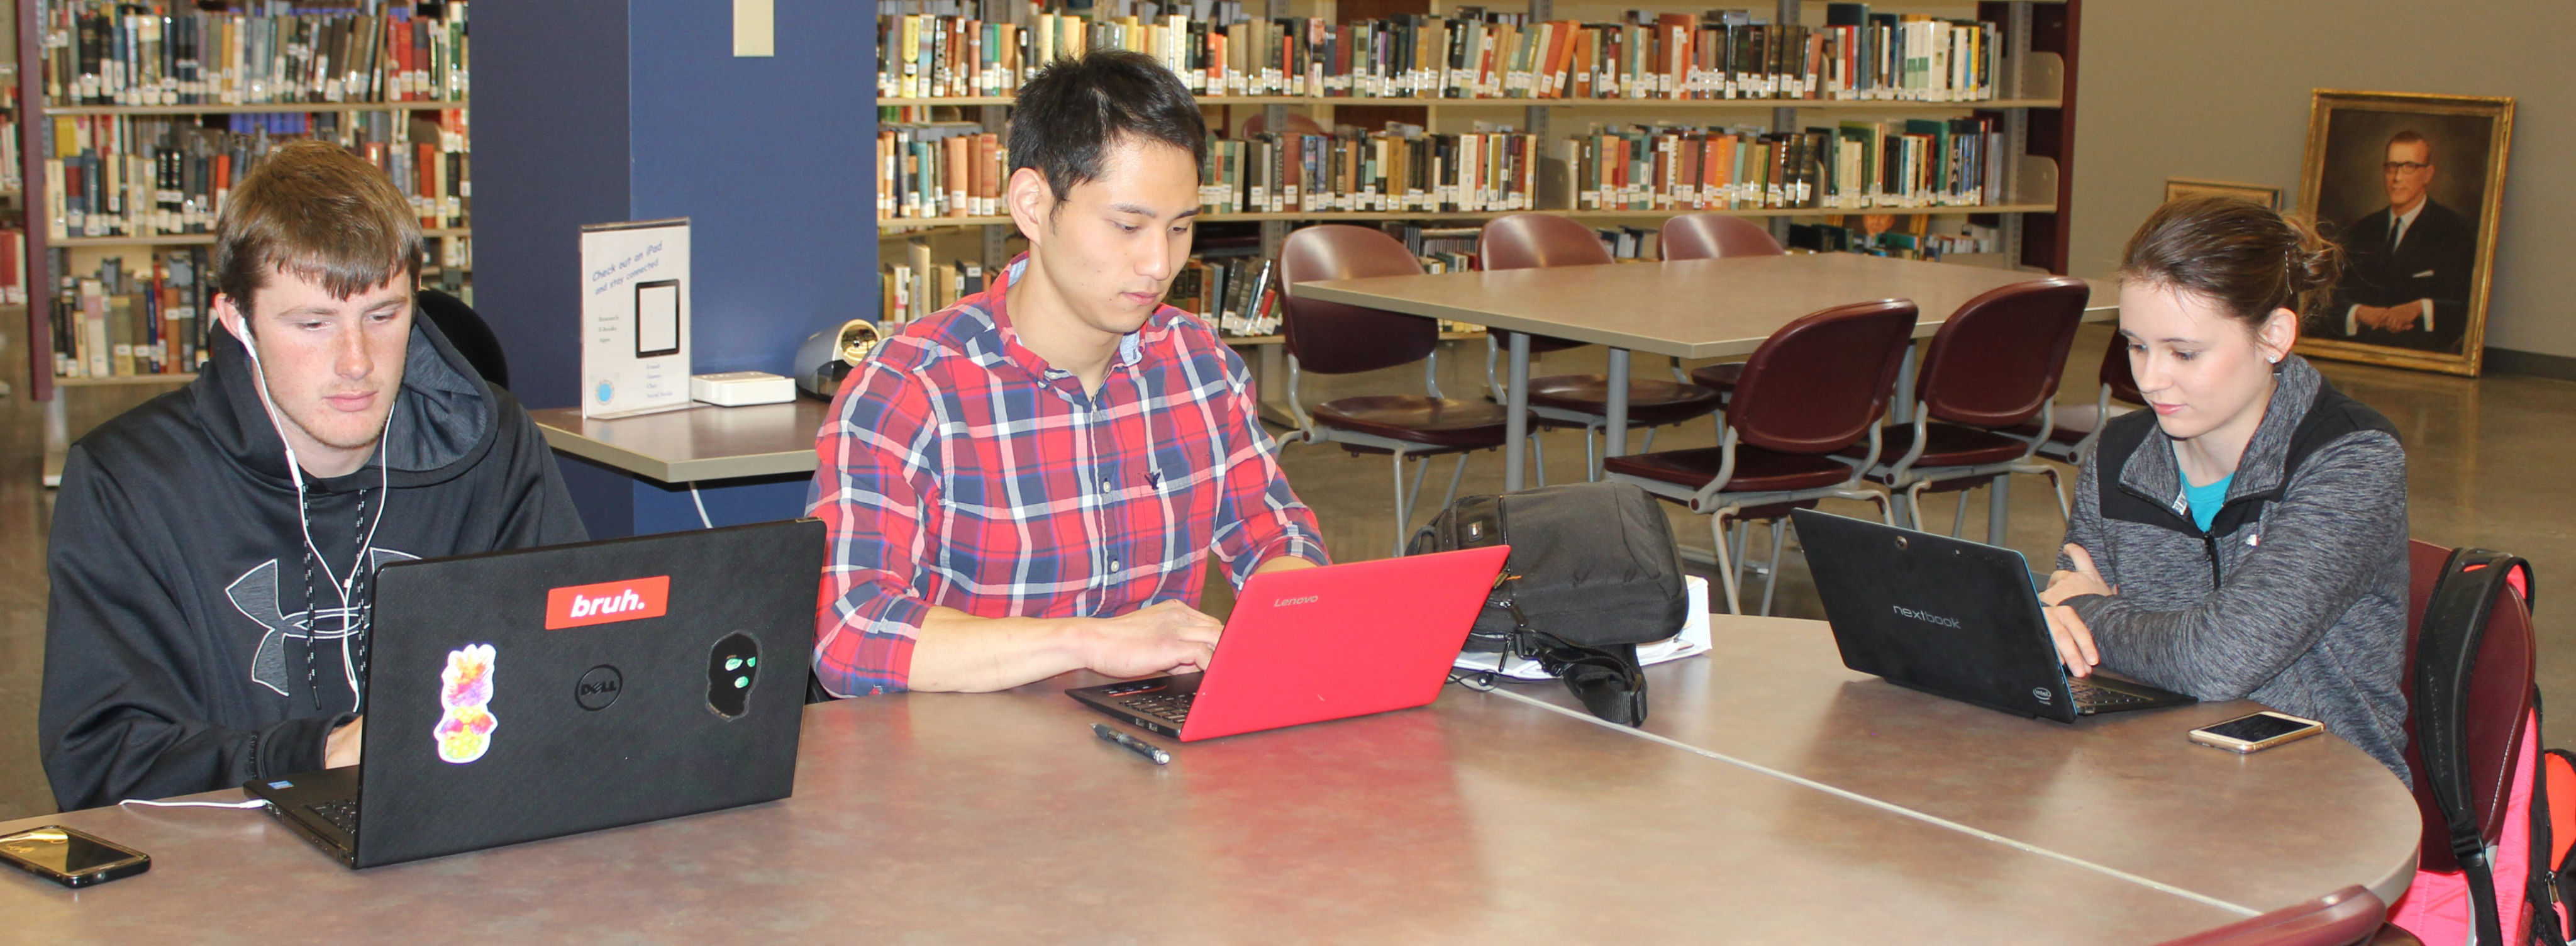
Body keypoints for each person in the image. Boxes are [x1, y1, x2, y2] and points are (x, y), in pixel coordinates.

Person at [41, 140, 587, 811]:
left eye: (384, 315)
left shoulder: (494, 446)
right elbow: (102, 761)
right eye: (313, 323)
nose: (356, 361)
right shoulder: (129, 481)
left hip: (457, 842)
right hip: (229, 881)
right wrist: (318, 756)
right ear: (236, 320)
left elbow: (572, 663)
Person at [809, 50, 1327, 697]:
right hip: (968, 769)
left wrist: (1286, 597)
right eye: (1127, 226)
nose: (1157, 263)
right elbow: (849, 633)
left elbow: (1276, 531)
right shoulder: (910, 389)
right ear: (1032, 205)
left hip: (1153, 759)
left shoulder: (1199, 366)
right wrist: (1088, 639)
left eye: (1181, 228)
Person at [2040, 196, 2411, 783]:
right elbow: (2071, 645)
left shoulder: (2351, 460)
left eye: (2184, 352)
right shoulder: (2120, 452)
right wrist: (2062, 618)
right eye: (2136, 345)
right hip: (2151, 780)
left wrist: (2088, 609)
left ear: (2274, 337)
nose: (2150, 378)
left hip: (2322, 794)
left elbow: (2218, 659)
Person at [2326, 129, 2478, 354]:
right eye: (2391, 167)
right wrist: (2358, 312)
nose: (2397, 178)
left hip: (2422, 358)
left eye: (2409, 167)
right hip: (2359, 353)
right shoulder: (2362, 230)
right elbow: (2333, 296)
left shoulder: (2453, 231)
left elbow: (2468, 308)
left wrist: (2420, 308)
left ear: (2428, 174)